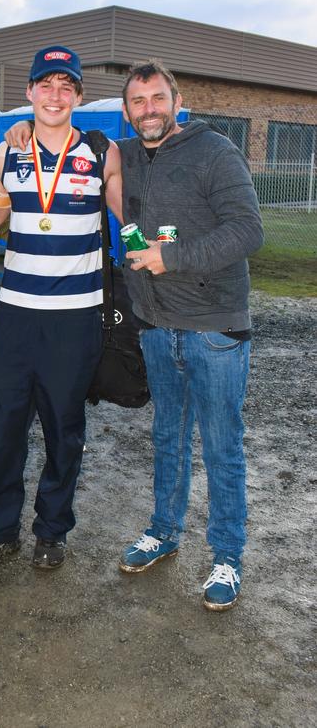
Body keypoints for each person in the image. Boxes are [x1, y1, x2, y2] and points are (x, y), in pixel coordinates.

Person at [0, 45, 122, 572]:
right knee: (2, 428)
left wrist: (158, 242)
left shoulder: (102, 152)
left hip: (77, 320)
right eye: (45, 85)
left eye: (65, 86)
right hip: (15, 316)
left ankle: (52, 531)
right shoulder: (4, 156)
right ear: (28, 93)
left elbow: (135, 218)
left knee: (63, 429)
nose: (55, 95)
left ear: (77, 95)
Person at [115, 59, 263, 611]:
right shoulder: (126, 155)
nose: (148, 109)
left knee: (222, 447)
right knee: (168, 440)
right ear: (127, 110)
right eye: (138, 101)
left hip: (214, 331)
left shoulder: (215, 151)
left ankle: (226, 555)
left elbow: (248, 230)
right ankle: (164, 531)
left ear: (176, 101)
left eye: (157, 98)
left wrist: (169, 257)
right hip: (158, 328)